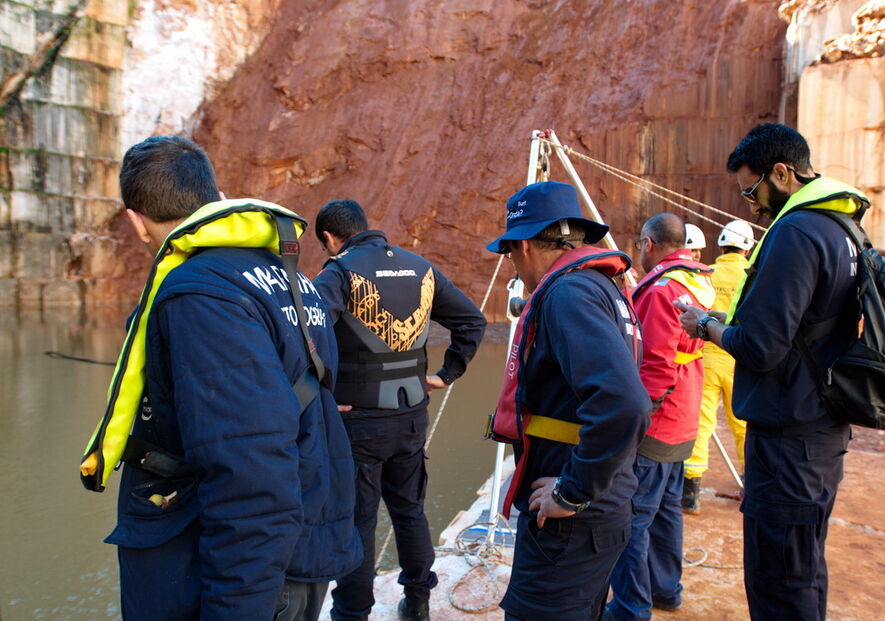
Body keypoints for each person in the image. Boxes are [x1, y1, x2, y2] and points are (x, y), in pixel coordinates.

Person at [82, 136, 362, 620]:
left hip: (236, 577)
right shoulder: (291, 279)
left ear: (135, 219)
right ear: (216, 196)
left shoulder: (199, 293)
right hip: (295, 552)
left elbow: (250, 469)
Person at [676, 123, 867, 620]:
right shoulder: (842, 225)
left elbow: (761, 347)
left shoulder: (796, 232)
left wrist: (706, 325)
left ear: (781, 173)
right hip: (820, 428)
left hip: (788, 443)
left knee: (778, 578)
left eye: (750, 189)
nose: (749, 203)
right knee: (802, 570)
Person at [485, 181, 652, 621]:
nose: (514, 268)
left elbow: (625, 405)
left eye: (510, 255)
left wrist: (571, 491)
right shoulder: (599, 286)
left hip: (571, 521)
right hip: (600, 505)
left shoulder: (567, 295)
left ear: (523, 246)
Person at [313, 200, 487, 621]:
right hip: (411, 416)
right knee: (410, 510)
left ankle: (353, 613)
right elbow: (472, 322)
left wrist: (320, 393)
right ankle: (419, 602)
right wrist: (447, 374)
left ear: (330, 239)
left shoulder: (338, 272)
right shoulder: (420, 268)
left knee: (359, 522)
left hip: (359, 422)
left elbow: (307, 331)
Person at [605, 213, 714, 621]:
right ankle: (666, 590)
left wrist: (636, 417)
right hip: (687, 412)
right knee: (667, 509)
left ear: (649, 243)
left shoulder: (660, 290)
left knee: (632, 517)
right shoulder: (697, 280)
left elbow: (655, 363)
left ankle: (631, 607)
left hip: (659, 422)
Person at [681, 219, 756, 513]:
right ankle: (751, 483)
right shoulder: (751, 276)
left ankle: (691, 489)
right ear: (748, 248)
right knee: (743, 424)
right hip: (740, 357)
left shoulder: (709, 273)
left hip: (710, 355)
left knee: (702, 421)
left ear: (722, 244)